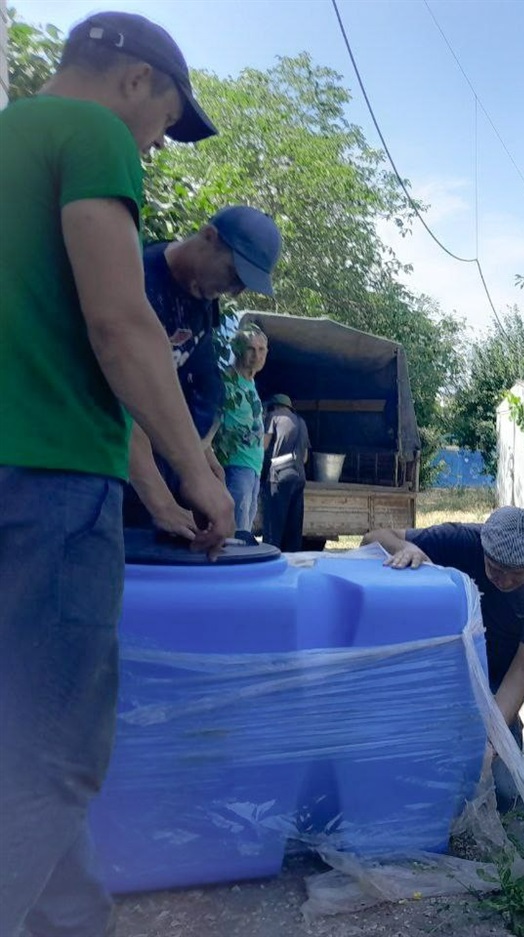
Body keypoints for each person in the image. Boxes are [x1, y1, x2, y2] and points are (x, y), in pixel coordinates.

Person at [0, 11, 234, 936]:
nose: (154, 145)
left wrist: (158, 493)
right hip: (48, 491)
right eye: (163, 122)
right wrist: (202, 480)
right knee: (51, 757)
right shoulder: (91, 132)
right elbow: (119, 329)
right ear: (133, 81)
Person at [363, 507, 524, 804]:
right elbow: (373, 536)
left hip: (516, 671)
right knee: (505, 795)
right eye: (495, 568)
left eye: (517, 575)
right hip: (469, 673)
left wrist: (491, 739)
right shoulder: (461, 540)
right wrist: (406, 547)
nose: (505, 581)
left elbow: (523, 669)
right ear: (483, 548)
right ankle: (510, 741)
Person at [124, 205, 284, 537]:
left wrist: (204, 458)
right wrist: (162, 502)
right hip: (122, 476)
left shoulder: (201, 296)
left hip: (167, 475)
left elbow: (181, 385)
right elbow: (121, 404)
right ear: (208, 236)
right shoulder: (135, 279)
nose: (234, 291)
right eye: (233, 274)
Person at [215, 324, 270, 534]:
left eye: (261, 349)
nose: (257, 355)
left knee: (245, 532)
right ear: (237, 350)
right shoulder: (227, 381)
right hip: (234, 465)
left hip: (253, 467)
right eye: (250, 349)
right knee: (235, 534)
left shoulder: (251, 384)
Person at [261, 394, 310, 552]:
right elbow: (305, 458)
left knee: (273, 526)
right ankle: (292, 562)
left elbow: (264, 446)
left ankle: (270, 560)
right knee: (293, 527)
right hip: (299, 476)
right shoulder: (301, 422)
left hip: (279, 474)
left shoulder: (273, 417)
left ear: (274, 406)